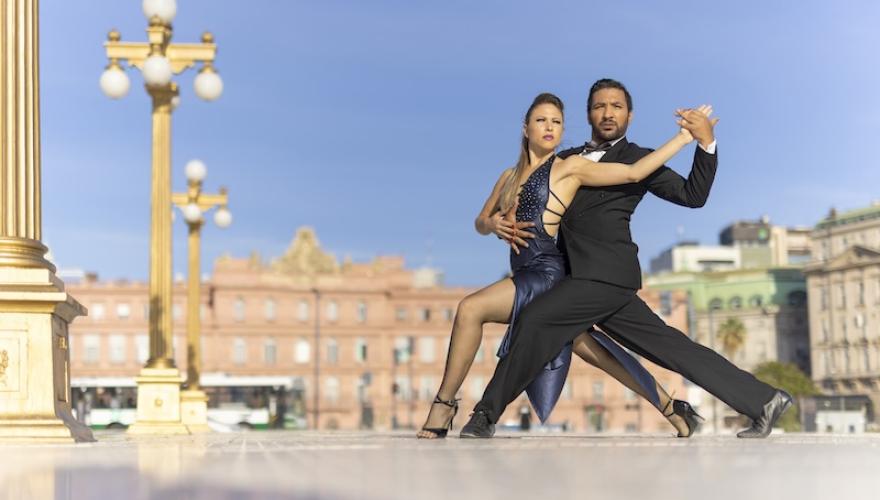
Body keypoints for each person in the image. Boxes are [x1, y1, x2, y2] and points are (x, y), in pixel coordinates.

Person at [460, 79, 791, 440]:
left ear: (629, 115)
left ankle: (484, 415)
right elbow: (524, 201)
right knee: (673, 348)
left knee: (535, 320)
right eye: (600, 106)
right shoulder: (565, 159)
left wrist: (705, 143)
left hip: (604, 275)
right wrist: (494, 222)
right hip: (577, 277)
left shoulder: (638, 159)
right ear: (588, 113)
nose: (607, 112)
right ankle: (764, 400)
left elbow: (693, 196)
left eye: (616, 106)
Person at [418, 92, 708, 439]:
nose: (550, 127)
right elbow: (480, 220)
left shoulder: (569, 167)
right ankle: (673, 409)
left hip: (547, 273)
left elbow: (633, 172)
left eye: (556, 122)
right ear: (526, 128)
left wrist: (682, 137)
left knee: (470, 309)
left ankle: (444, 404)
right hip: (522, 272)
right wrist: (492, 225)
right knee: (593, 350)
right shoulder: (508, 176)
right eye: (541, 120)